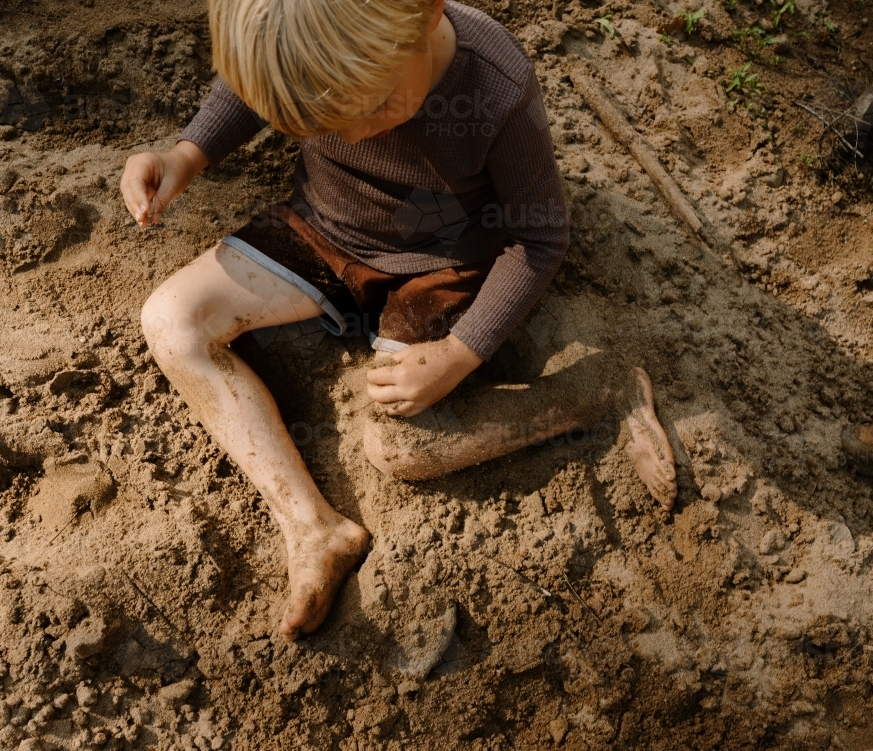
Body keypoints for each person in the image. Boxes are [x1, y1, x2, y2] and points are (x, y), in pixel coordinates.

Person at [120, 0, 676, 642]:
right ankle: (311, 527)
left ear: (425, 14)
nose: (353, 134)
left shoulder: (495, 84)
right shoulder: (310, 47)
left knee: (402, 445)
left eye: (373, 107)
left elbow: (539, 239)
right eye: (322, 119)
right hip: (326, 227)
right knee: (171, 321)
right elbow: (259, 87)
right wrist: (187, 155)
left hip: (446, 261)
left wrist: (458, 355)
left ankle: (596, 391)